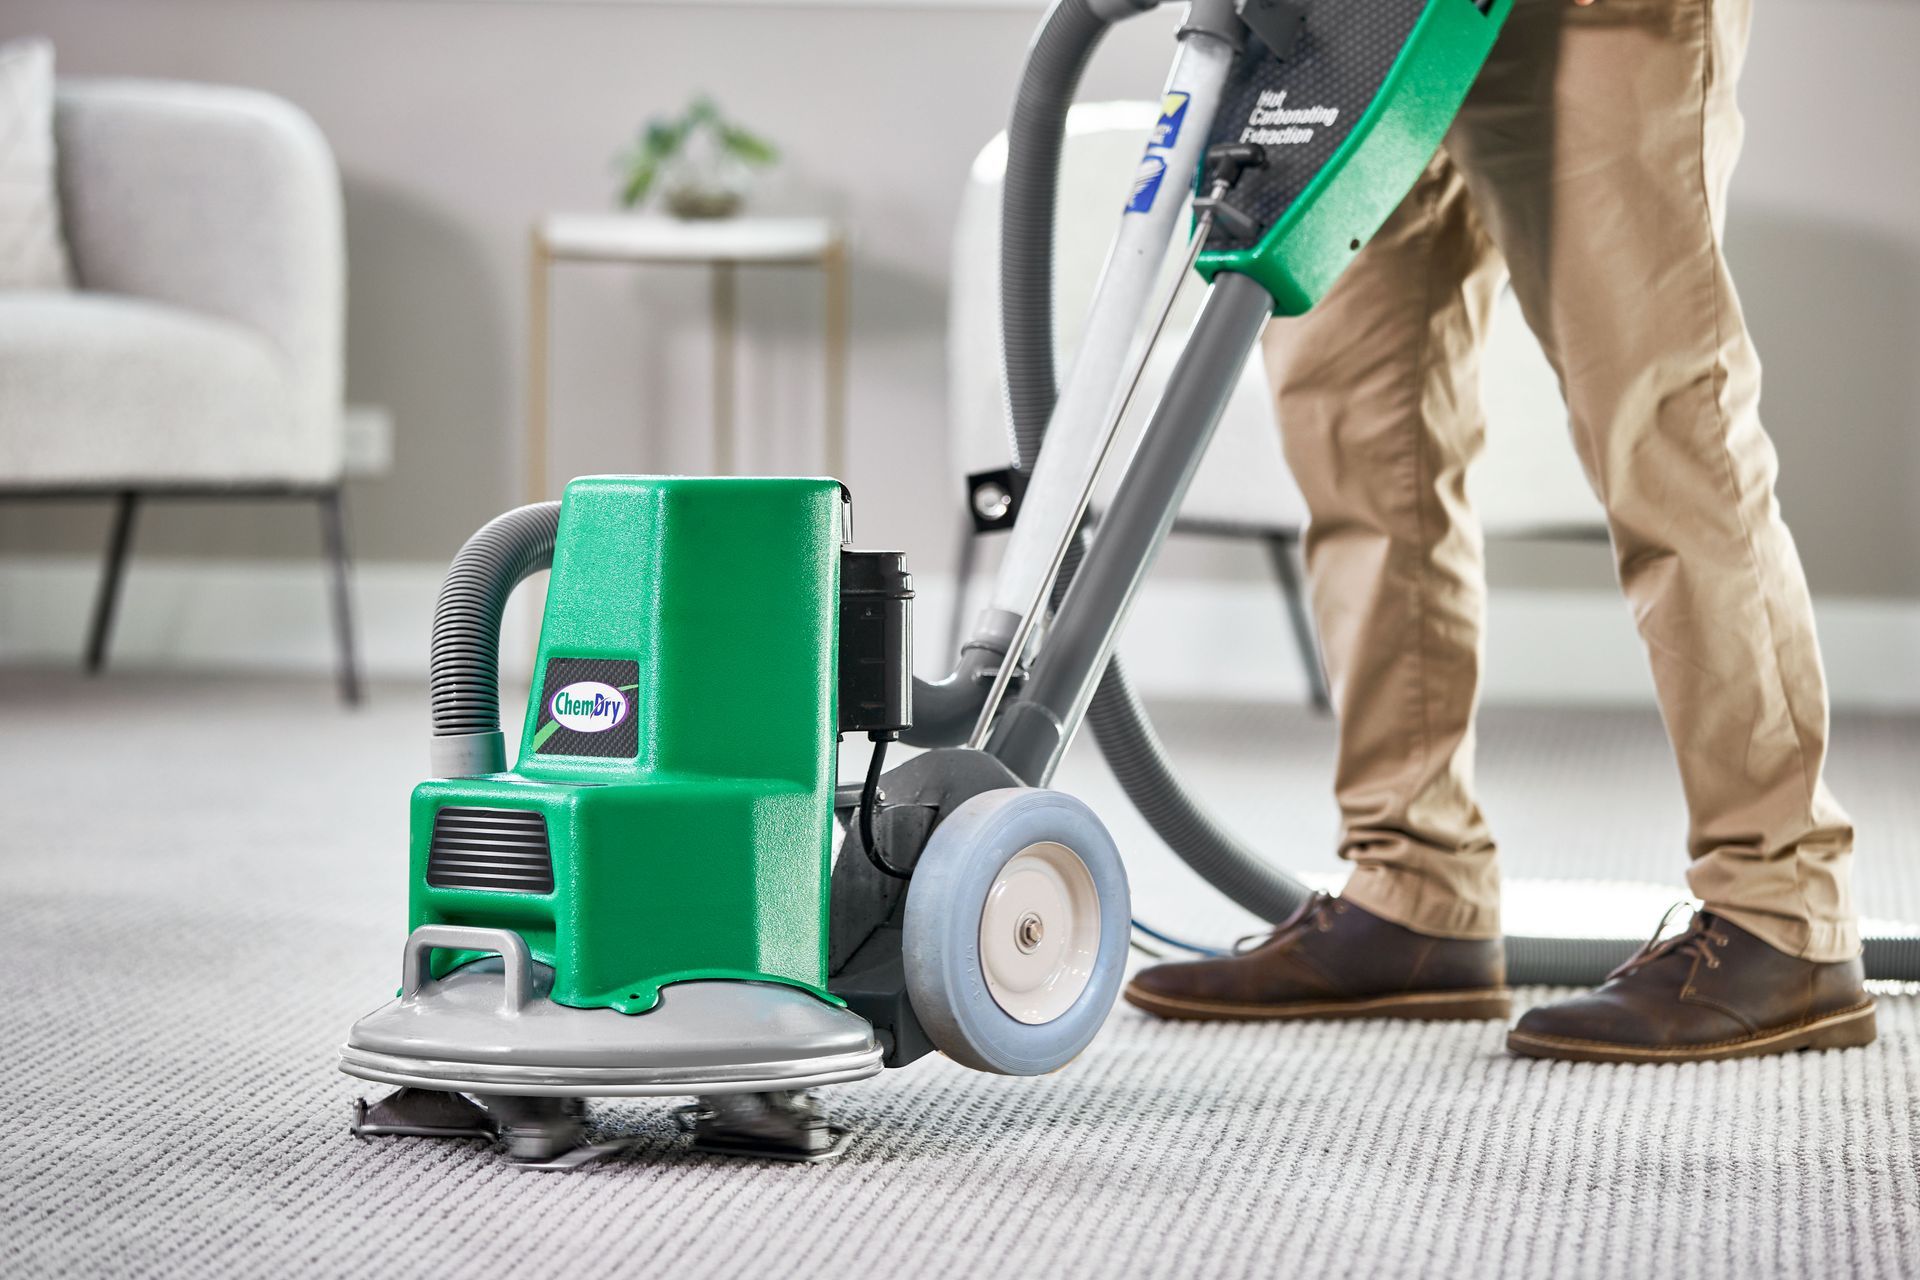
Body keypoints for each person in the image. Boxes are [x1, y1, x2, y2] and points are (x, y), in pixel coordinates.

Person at [1124, 0, 1875, 1063]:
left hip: (1585, 18)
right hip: (1358, 21)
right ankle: (1412, 884)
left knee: (1663, 430)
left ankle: (1781, 907)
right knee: (1360, 442)